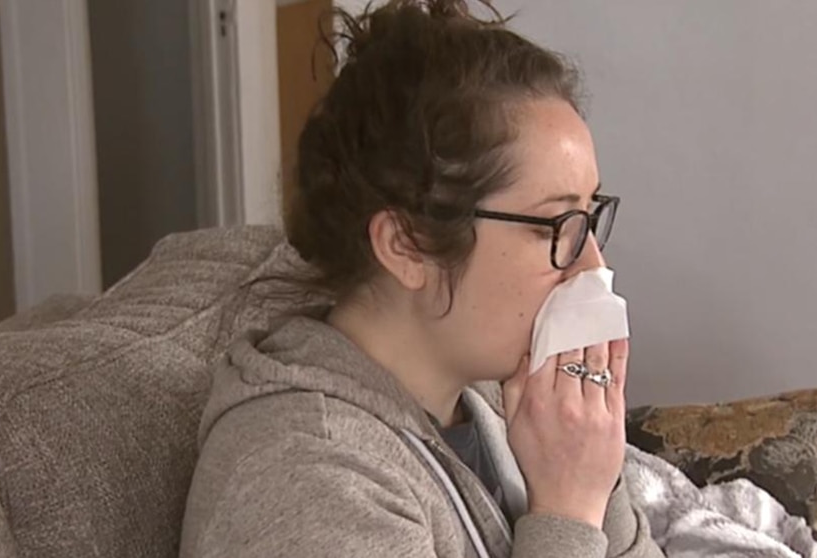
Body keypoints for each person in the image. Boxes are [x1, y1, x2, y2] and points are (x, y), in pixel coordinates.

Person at [180, 1, 664, 557]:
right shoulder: (309, 485)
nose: (592, 267)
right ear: (406, 244)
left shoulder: (490, 399)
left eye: (588, 218)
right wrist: (568, 512)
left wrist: (595, 477)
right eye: (555, 225)